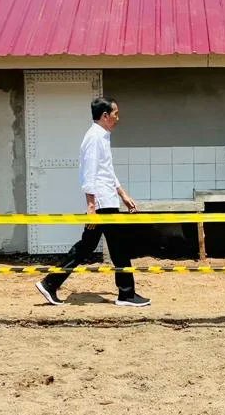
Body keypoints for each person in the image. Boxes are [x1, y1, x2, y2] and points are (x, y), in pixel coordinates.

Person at [34, 96, 149, 307]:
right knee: (119, 247)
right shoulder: (94, 138)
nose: (117, 118)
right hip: (102, 203)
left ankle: (50, 283)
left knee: (88, 246)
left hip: (107, 199)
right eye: (115, 114)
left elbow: (107, 172)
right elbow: (89, 173)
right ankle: (126, 294)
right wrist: (91, 206)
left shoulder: (101, 136)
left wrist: (123, 194)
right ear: (105, 116)